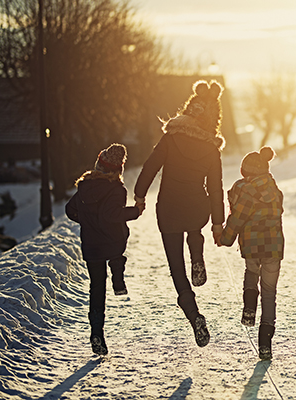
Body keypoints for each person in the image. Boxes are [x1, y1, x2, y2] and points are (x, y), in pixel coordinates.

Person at [134, 80, 226, 347]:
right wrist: (218, 224)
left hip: (169, 208)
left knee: (176, 267)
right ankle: (197, 253)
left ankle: (194, 315)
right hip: (198, 207)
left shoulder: (171, 138)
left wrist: (140, 196)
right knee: (194, 229)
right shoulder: (211, 149)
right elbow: (217, 189)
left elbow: (150, 166)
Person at [65, 143, 144, 356]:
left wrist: (89, 222)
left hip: (92, 245)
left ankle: (96, 334)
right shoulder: (116, 189)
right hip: (112, 241)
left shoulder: (84, 187)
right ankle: (118, 276)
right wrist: (135, 212)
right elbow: (111, 215)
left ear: (98, 164)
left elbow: (70, 210)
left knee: (96, 288)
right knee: (118, 246)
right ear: (118, 169)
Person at [218, 146, 284, 360]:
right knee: (269, 293)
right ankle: (265, 343)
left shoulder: (245, 190)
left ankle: (249, 309)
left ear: (245, 171)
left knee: (251, 273)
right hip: (273, 247)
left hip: (253, 246)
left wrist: (225, 239)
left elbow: (238, 218)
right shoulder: (275, 190)